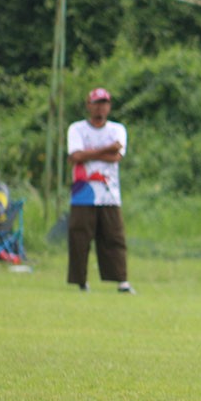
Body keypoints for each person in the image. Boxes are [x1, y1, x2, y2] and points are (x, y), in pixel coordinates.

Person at [67, 87, 134, 294]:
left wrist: (88, 153)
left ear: (109, 106)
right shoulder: (77, 129)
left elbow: (117, 156)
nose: (100, 108)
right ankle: (80, 280)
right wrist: (106, 149)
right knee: (79, 237)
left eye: (104, 103)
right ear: (89, 105)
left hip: (109, 194)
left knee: (114, 237)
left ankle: (121, 280)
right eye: (96, 103)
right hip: (83, 192)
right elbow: (75, 156)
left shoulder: (117, 129)